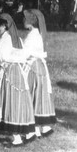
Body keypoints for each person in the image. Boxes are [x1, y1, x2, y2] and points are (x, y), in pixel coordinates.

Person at [0, 14, 35, 146]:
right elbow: (25, 55)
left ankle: (16, 139)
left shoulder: (5, 39)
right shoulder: (18, 39)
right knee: (20, 102)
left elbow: (2, 57)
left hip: (9, 73)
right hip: (19, 73)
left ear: (5, 25)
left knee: (10, 103)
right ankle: (28, 133)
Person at [23, 9, 55, 138]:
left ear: (30, 22)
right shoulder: (36, 34)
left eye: (25, 19)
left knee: (31, 96)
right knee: (37, 96)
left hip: (33, 68)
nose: (23, 21)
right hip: (38, 67)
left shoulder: (32, 36)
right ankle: (38, 128)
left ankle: (33, 128)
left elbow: (25, 54)